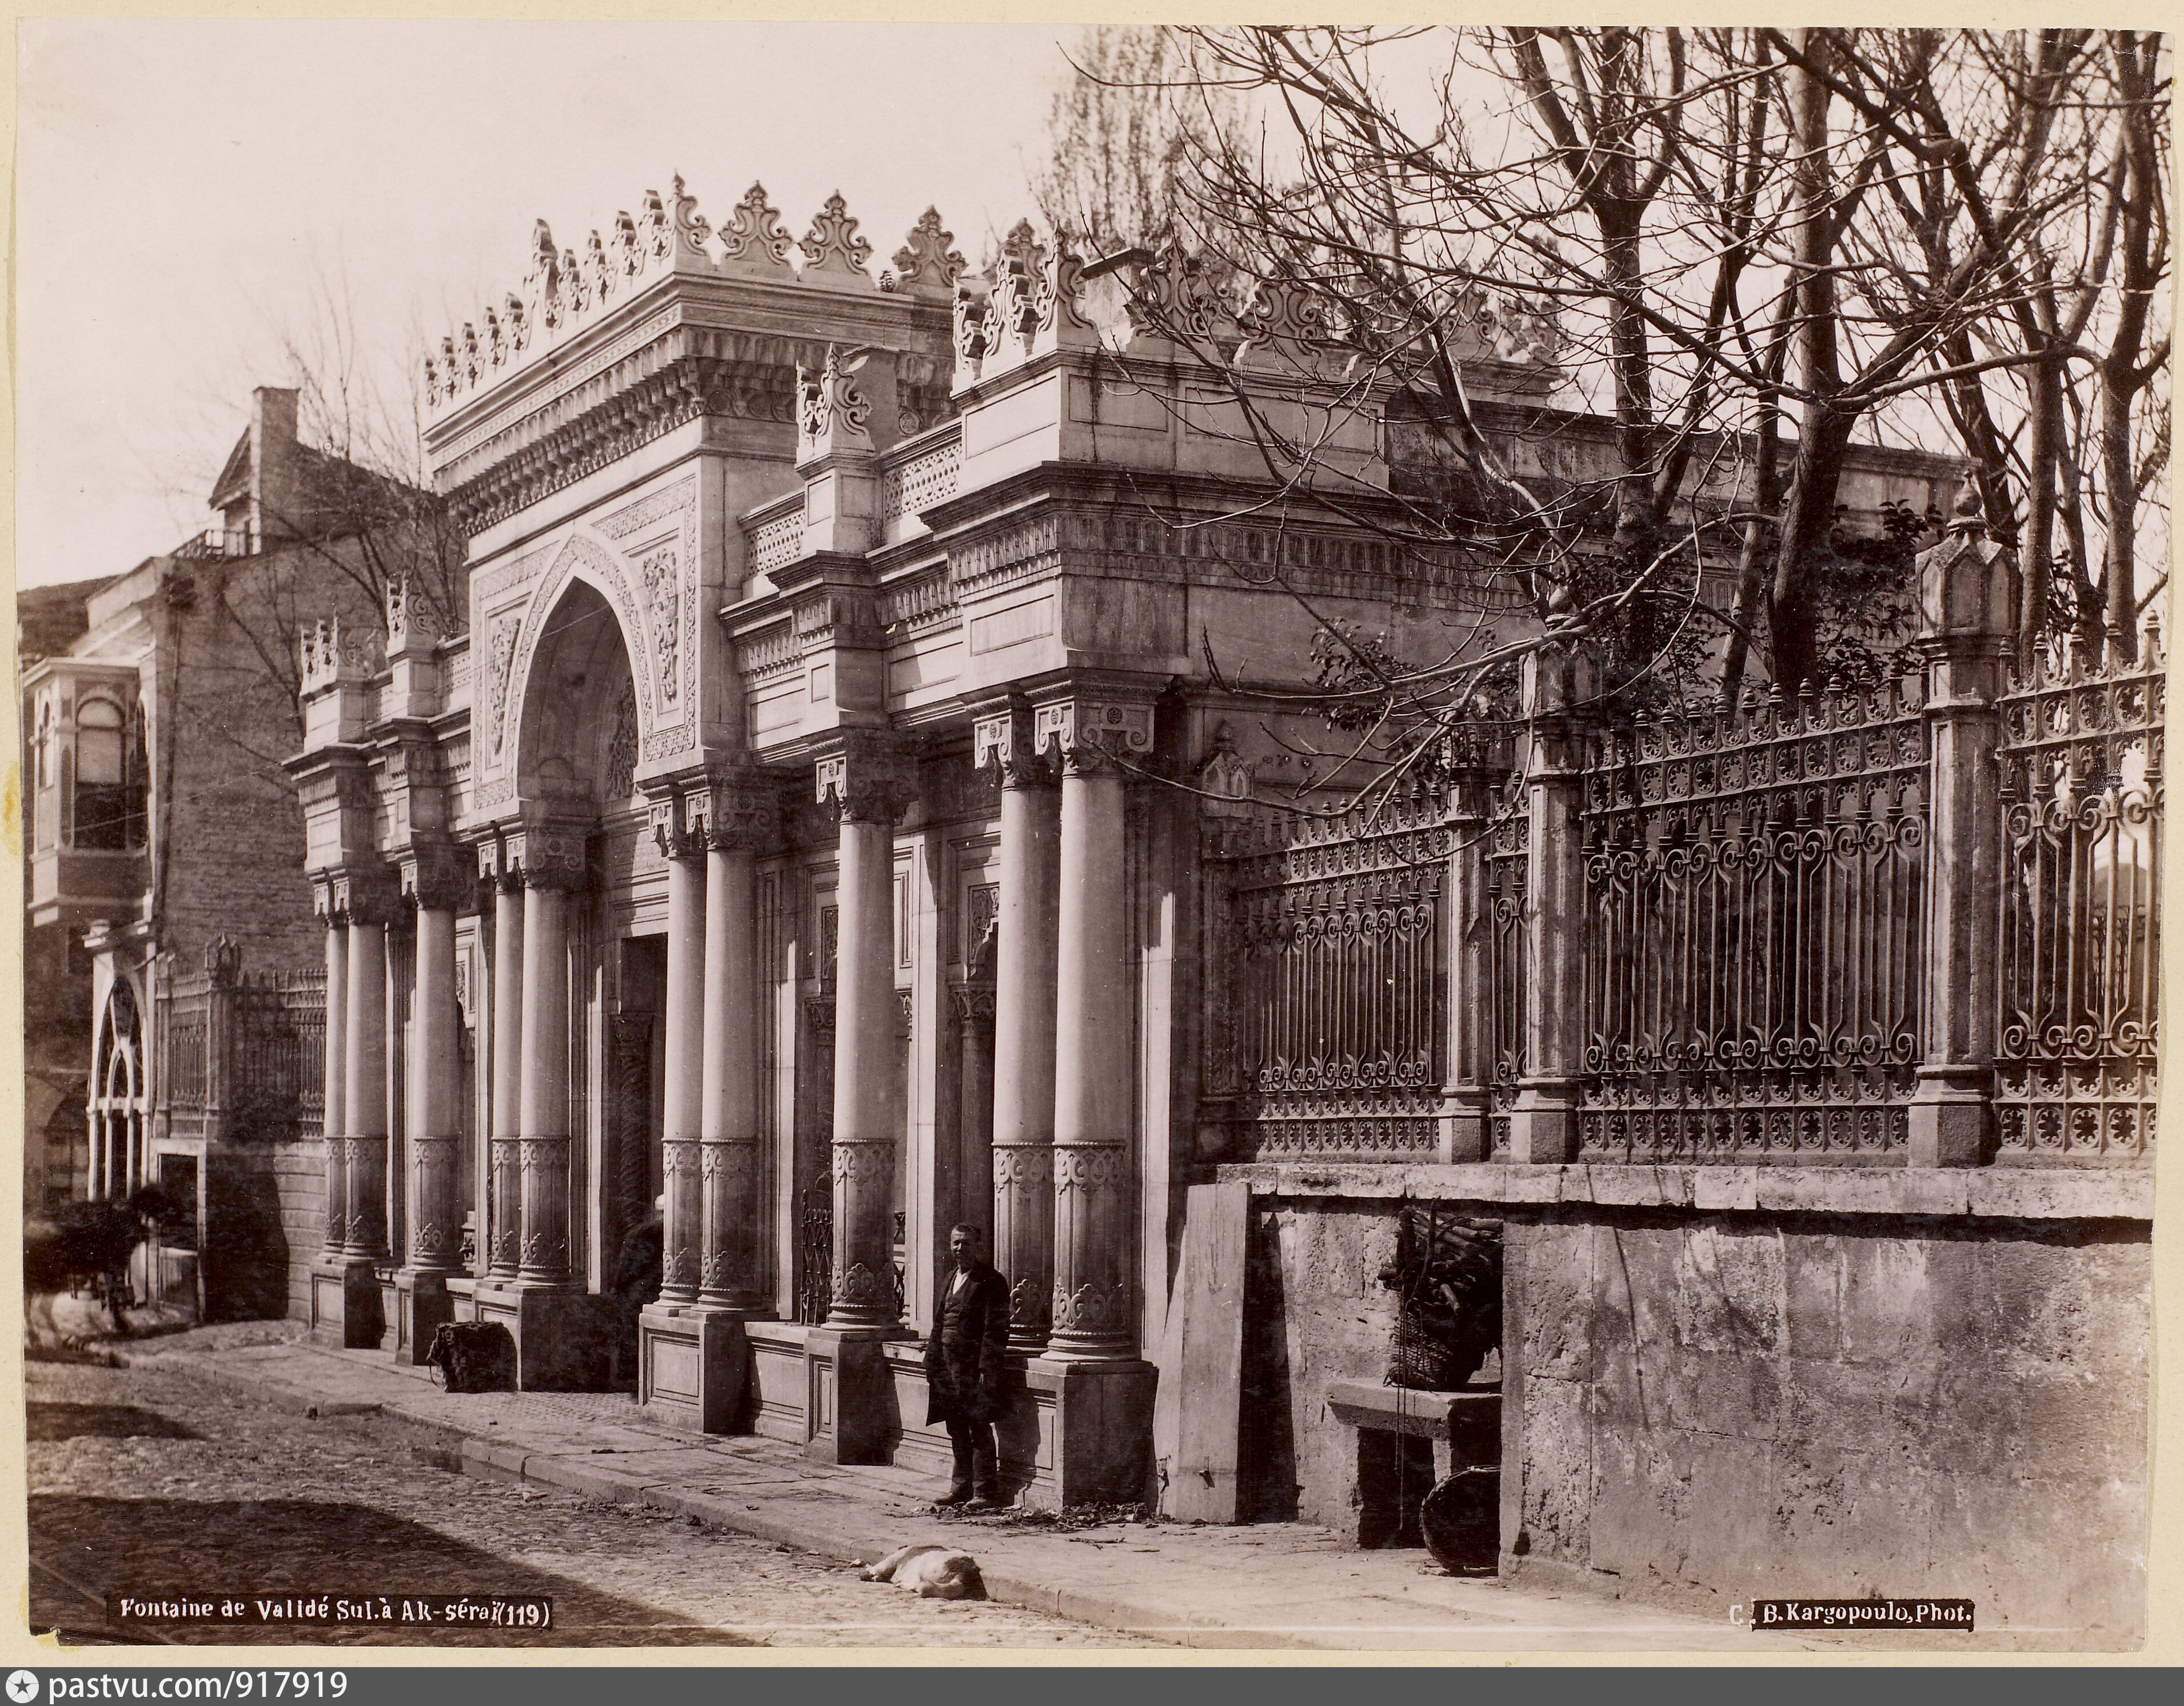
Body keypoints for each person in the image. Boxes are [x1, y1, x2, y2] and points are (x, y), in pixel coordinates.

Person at [924, 1223, 1010, 1507]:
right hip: (947, 1367)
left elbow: (995, 1329)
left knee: (977, 1426)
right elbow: (939, 1323)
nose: (960, 1249)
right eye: (956, 1243)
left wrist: (987, 1368)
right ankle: (961, 1488)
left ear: (978, 1247)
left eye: (967, 1243)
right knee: (955, 1426)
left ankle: (984, 1491)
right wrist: (932, 1362)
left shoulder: (991, 1280)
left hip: (972, 1369)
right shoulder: (951, 1277)